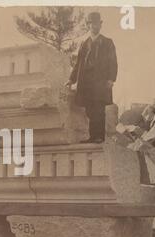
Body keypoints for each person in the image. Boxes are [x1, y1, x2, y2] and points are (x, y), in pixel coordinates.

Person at [66, 11, 118, 143]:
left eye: (97, 23)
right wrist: (71, 79)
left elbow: (113, 62)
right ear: (88, 25)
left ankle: (99, 136)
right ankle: (92, 136)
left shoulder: (107, 42)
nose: (94, 26)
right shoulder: (84, 43)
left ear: (100, 25)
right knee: (89, 109)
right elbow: (78, 64)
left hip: (100, 82)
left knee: (99, 109)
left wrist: (111, 79)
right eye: (92, 23)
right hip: (87, 83)